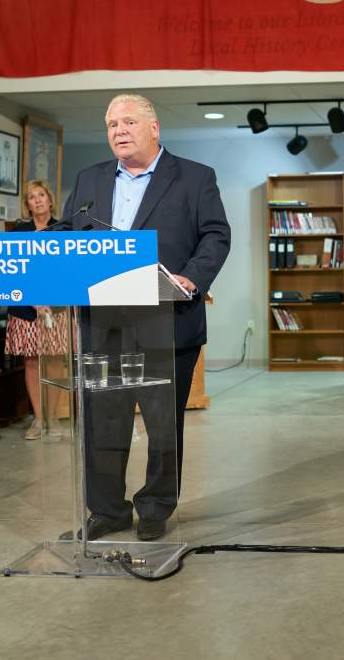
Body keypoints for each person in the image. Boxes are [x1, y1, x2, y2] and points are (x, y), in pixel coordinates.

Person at [63, 93, 230, 541]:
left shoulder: (194, 178)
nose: (119, 130)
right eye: (111, 123)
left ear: (154, 128)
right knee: (103, 420)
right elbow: (67, 240)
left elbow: (216, 235)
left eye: (128, 122)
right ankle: (106, 510)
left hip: (167, 320)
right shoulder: (87, 181)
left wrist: (190, 279)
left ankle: (155, 506)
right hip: (102, 323)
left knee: (162, 424)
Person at [5, 180, 64, 440]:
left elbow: (67, 273)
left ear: (50, 200)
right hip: (25, 308)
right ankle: (38, 419)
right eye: (32, 197)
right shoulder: (18, 233)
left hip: (57, 309)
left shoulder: (65, 230)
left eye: (42, 195)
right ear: (27, 204)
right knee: (32, 361)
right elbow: (11, 271)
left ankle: (53, 418)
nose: (38, 200)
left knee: (53, 360)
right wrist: (33, 300)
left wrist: (48, 301)